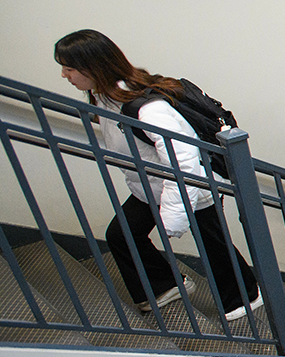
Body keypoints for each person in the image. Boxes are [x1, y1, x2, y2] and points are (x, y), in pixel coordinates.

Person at [54, 29, 262, 321]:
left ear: (93, 68)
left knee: (214, 247)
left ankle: (245, 299)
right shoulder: (104, 95)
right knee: (122, 234)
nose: (65, 75)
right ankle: (164, 286)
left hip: (193, 187)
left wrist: (174, 217)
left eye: (69, 68)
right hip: (150, 185)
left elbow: (185, 164)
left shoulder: (148, 109)